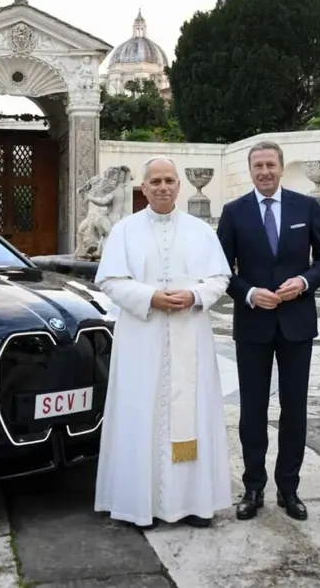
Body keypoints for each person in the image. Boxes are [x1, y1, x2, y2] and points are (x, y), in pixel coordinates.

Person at [93, 156, 233, 529]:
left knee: (192, 413)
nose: (162, 187)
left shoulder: (201, 231)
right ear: (144, 187)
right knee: (142, 412)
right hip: (143, 337)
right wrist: (149, 297)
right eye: (155, 181)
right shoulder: (124, 230)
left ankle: (193, 503)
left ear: (178, 186)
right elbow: (108, 280)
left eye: (169, 180)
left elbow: (220, 276)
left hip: (190, 332)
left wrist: (194, 296)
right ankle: (140, 505)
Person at [216, 141, 320, 522]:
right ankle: (253, 487)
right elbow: (220, 270)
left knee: (294, 408)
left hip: (296, 322)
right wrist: (248, 293)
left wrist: (303, 281)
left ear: (282, 168)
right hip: (253, 324)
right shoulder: (234, 212)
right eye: (258, 166)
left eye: (270, 165)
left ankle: (289, 486)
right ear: (250, 171)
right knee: (253, 410)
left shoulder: (306, 207)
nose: (264, 172)